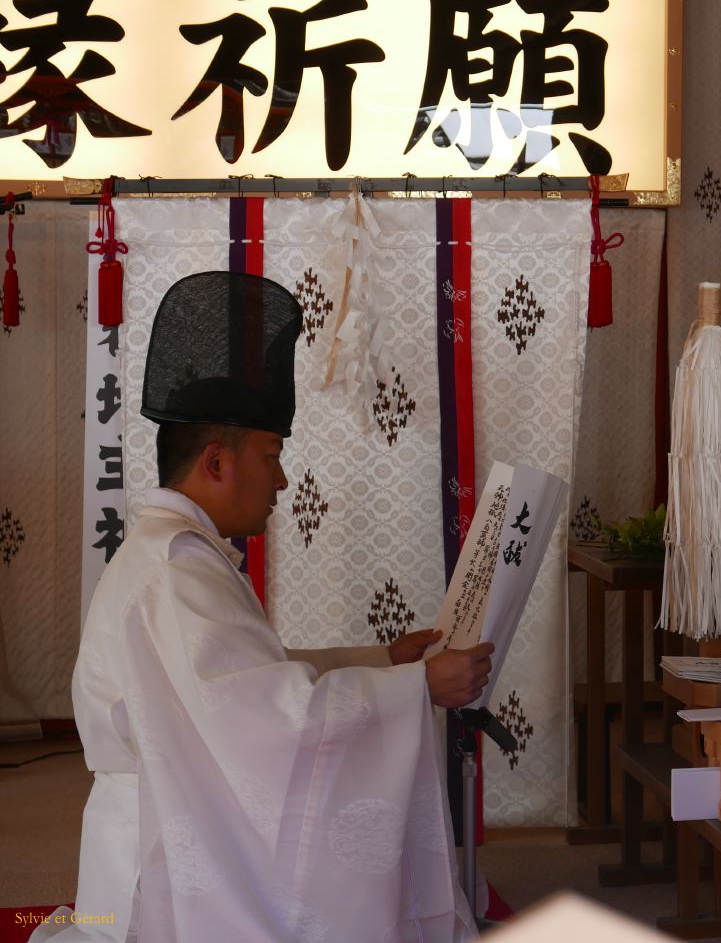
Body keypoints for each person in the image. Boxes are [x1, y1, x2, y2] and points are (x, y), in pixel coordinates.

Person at [34, 272, 491, 942]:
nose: (280, 479)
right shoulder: (174, 569)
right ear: (217, 462)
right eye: (272, 455)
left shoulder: (176, 551)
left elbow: (254, 676)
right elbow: (278, 721)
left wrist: (384, 661)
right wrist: (416, 687)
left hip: (170, 823)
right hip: (160, 856)